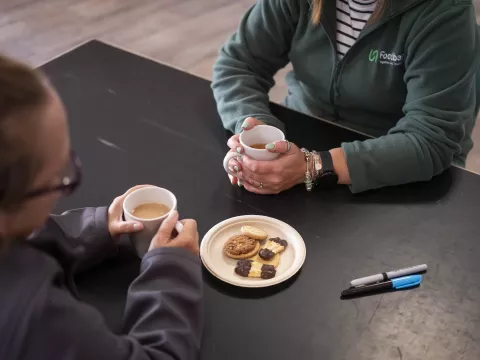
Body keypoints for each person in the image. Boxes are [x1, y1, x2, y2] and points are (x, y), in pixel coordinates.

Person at [0, 54, 202, 359]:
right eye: (62, 176)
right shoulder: (37, 318)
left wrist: (93, 227)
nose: (65, 184)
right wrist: (171, 272)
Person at [212, 0, 480, 194]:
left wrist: (313, 166)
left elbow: (432, 140)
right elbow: (239, 63)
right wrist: (256, 128)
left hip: (397, 167)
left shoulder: (446, 11)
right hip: (298, 141)